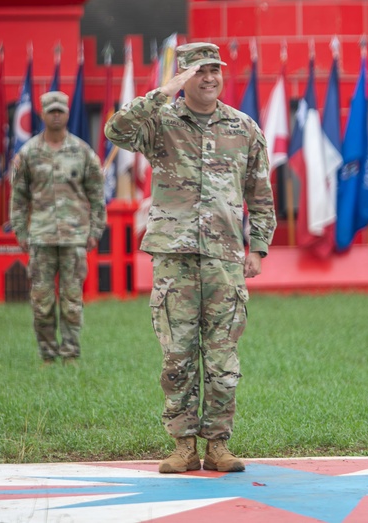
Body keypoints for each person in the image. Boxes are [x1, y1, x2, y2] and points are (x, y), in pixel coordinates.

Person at [104, 41, 276, 474]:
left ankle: (217, 445)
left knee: (222, 358)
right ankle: (183, 445)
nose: (210, 78)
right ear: (183, 77)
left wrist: (257, 248)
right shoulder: (160, 121)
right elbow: (115, 130)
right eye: (199, 71)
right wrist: (163, 92)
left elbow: (260, 195)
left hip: (223, 259)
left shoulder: (243, 127)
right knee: (177, 355)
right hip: (174, 258)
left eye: (215, 69)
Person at [10, 91, 106, 364]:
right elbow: (18, 198)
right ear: (42, 113)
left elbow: (97, 196)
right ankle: (48, 355)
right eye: (50, 111)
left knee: (72, 301)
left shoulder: (82, 152)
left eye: (59, 111)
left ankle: (70, 354)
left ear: (66, 113)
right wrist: (21, 232)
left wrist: (95, 230)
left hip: (75, 238)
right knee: (41, 301)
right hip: (41, 237)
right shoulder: (28, 153)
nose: (55, 115)